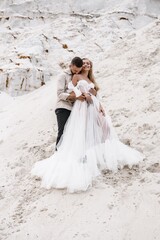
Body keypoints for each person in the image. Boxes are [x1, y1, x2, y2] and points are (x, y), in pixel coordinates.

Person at [31, 58, 144, 193]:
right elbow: (67, 90)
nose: (85, 65)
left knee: (102, 128)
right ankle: (63, 159)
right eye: (83, 63)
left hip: (91, 107)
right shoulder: (70, 76)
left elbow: (95, 96)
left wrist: (99, 105)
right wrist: (81, 95)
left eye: (88, 63)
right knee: (66, 133)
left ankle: (97, 155)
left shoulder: (90, 80)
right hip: (70, 107)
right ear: (74, 66)